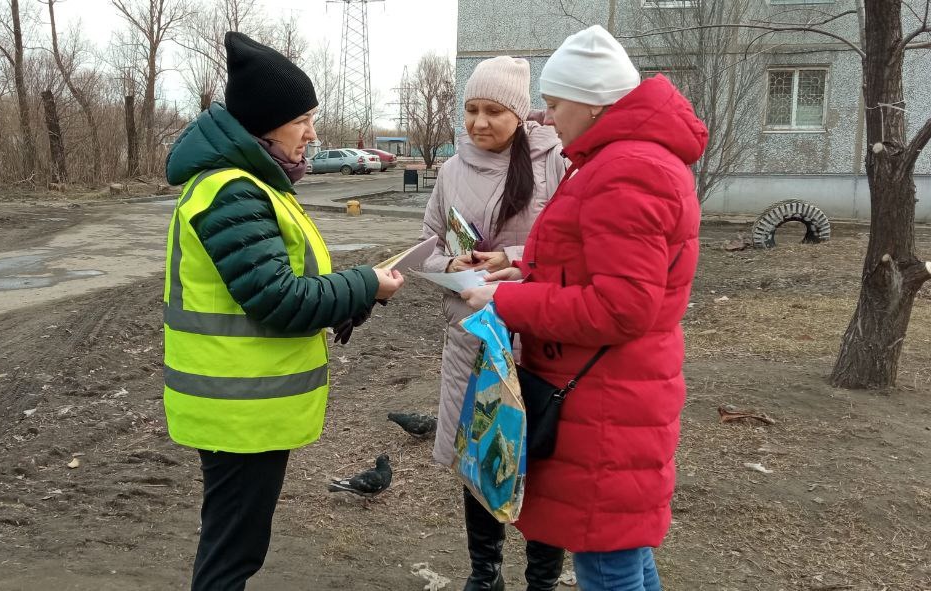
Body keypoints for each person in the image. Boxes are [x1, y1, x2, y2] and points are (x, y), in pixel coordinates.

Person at [461, 25, 707, 591]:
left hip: (605, 402)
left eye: (552, 104)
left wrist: (505, 299)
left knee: (607, 560)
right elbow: (605, 269)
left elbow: (622, 306)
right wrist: (523, 267)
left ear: (593, 103)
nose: (545, 118)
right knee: (624, 552)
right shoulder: (622, 159)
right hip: (614, 390)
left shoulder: (627, 169)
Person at [162, 31, 405, 591]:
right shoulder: (232, 191)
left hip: (245, 404)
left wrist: (354, 298)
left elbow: (285, 287)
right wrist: (364, 282)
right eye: (303, 120)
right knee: (231, 555)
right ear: (265, 125)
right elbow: (277, 299)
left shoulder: (254, 185)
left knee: (236, 545)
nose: (313, 133)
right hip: (237, 407)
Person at [421, 56, 568, 591]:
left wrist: (510, 257)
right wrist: (448, 266)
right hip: (473, 337)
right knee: (480, 457)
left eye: (493, 111)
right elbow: (429, 244)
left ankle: (542, 579)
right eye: (471, 110)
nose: (479, 123)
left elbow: (572, 247)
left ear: (519, 113)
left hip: (539, 339)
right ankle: (485, 573)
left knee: (544, 461)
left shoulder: (555, 164)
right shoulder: (451, 170)